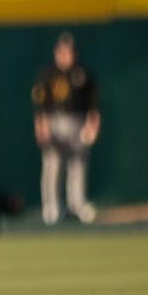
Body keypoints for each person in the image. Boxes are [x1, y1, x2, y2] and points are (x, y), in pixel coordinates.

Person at [31, 33, 99, 225]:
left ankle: (77, 205)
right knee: (53, 164)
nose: (66, 55)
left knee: (78, 164)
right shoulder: (47, 73)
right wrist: (41, 126)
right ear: (57, 53)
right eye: (63, 51)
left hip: (77, 121)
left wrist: (92, 125)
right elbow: (40, 105)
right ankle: (52, 207)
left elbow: (93, 105)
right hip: (54, 121)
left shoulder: (83, 73)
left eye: (70, 52)